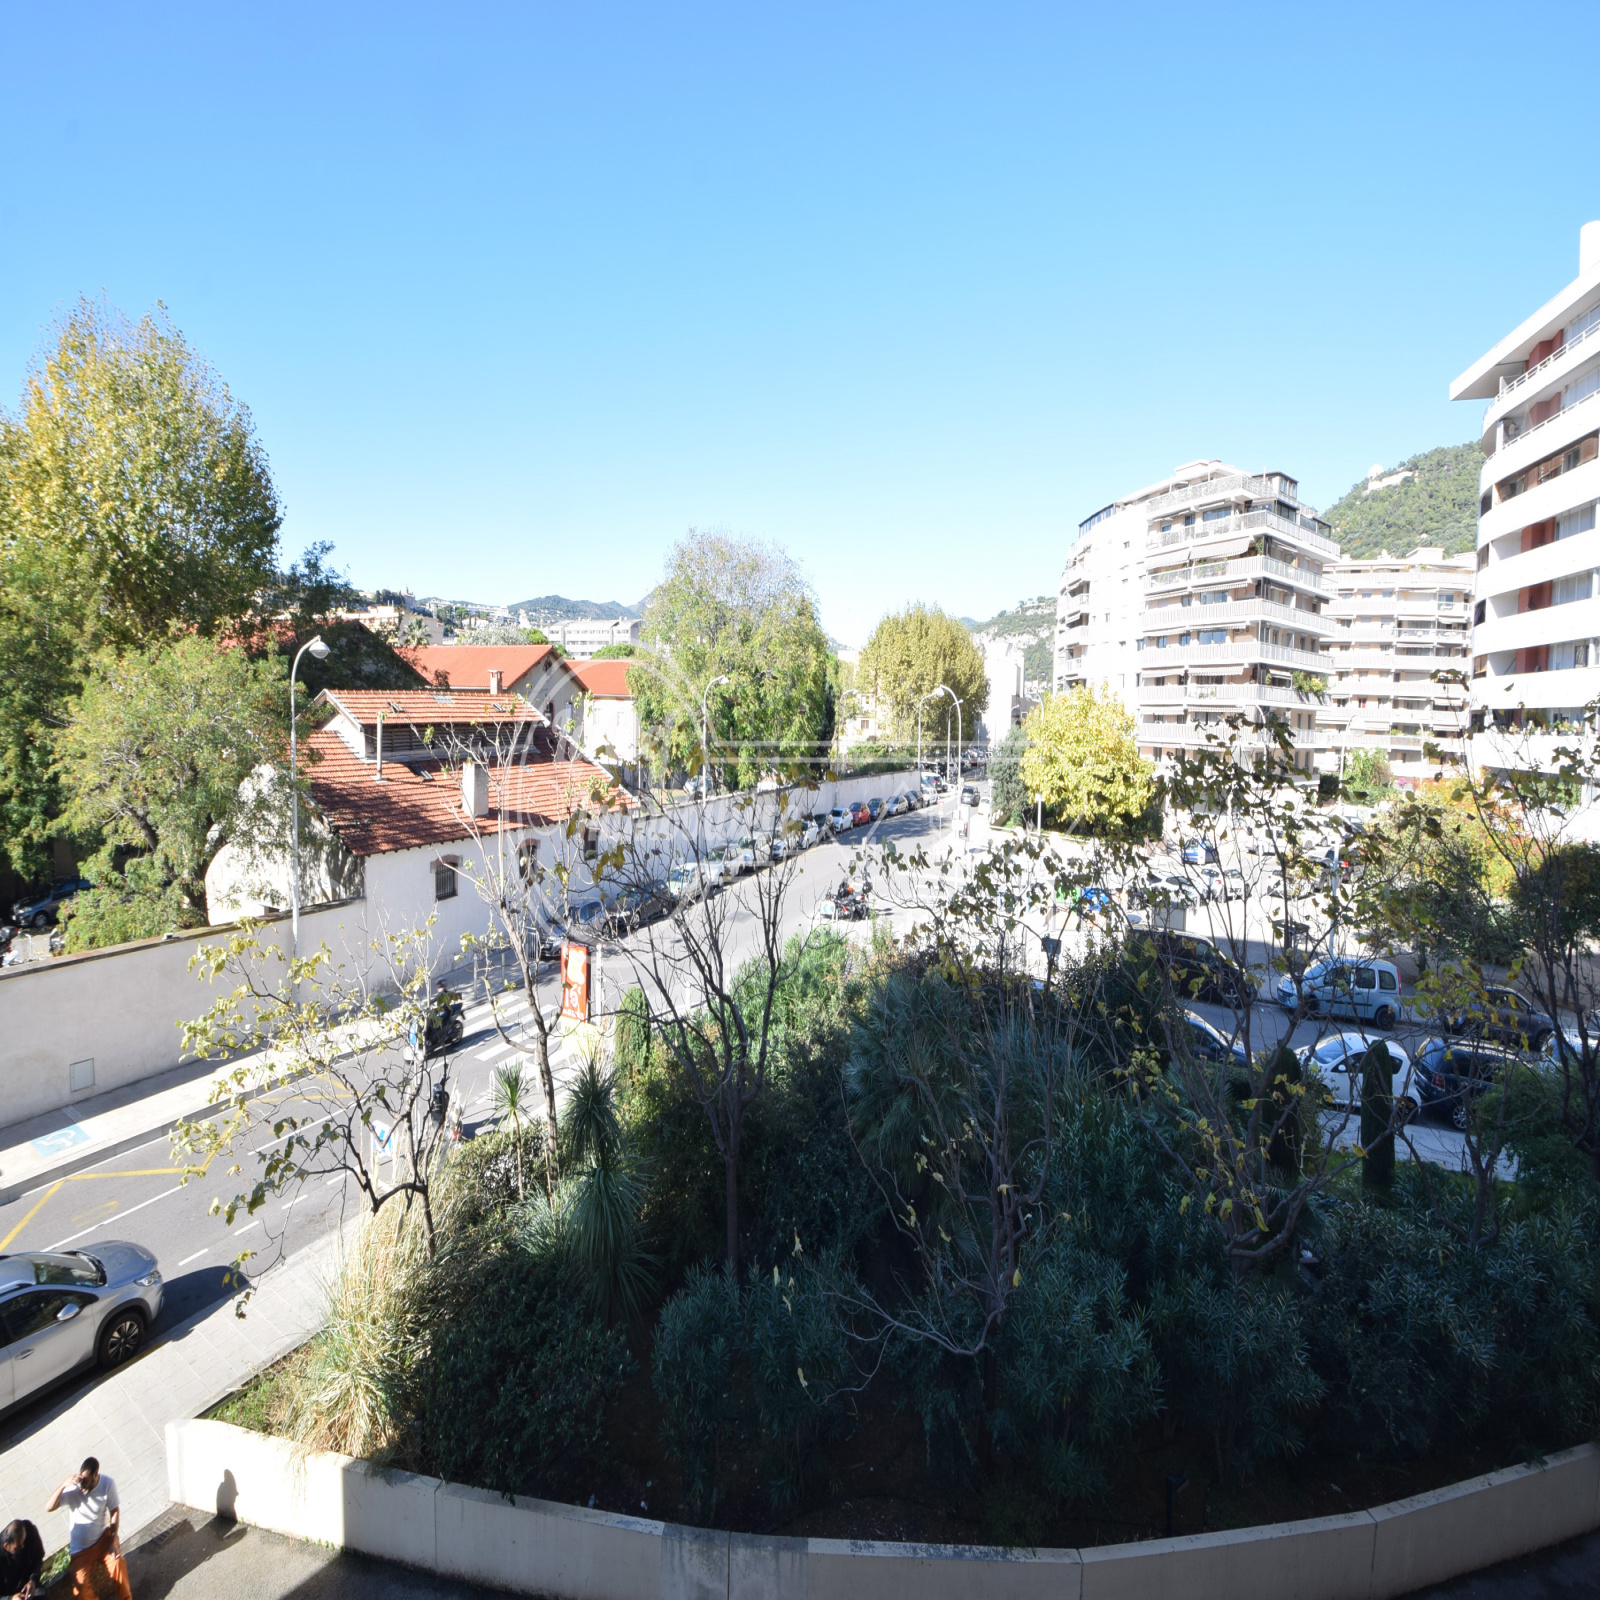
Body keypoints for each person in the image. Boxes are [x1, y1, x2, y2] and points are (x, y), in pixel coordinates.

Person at [45, 1458, 131, 1600]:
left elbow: (114, 1511)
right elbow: (49, 1507)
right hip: (80, 1550)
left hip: (103, 1540)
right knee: (80, 1590)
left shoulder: (107, 1484)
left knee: (117, 1564)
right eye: (81, 1480)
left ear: (96, 1474)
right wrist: (63, 1485)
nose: (82, 1485)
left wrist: (112, 1542)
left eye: (86, 1481)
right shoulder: (74, 1489)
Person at [0, 1520, 45, 1599]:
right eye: (18, 1547)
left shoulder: (29, 1530)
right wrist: (11, 1598)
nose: (23, 1547)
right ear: (6, 1546)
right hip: (7, 1594)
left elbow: (38, 1558)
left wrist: (33, 1580)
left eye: (24, 1542)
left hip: (28, 1584)